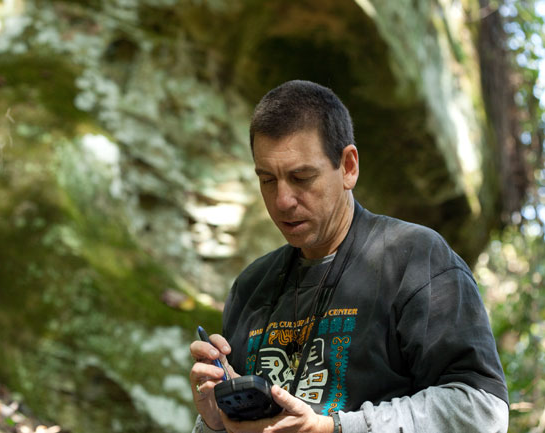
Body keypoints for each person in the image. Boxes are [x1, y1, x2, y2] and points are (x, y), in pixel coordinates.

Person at [189, 80, 509, 433]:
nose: (282, 200)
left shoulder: (415, 259)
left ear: (348, 167)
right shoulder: (251, 287)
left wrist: (333, 428)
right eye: (267, 180)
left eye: (301, 177)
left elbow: (481, 407)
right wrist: (215, 423)